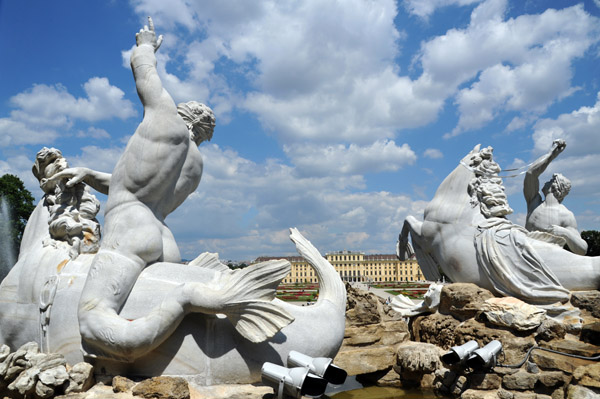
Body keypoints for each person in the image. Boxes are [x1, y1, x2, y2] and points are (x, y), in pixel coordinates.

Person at [73, 18, 291, 360]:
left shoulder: (164, 120)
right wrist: (88, 174)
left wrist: (145, 45)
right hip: (164, 239)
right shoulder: (196, 166)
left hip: (130, 228)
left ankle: (184, 299)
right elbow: (132, 186)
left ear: (184, 114)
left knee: (92, 318)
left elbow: (143, 73)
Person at [524, 139, 588, 255]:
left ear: (555, 186)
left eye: (550, 180)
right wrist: (551, 155)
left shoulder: (566, 215)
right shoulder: (534, 202)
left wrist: (565, 233)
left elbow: (582, 249)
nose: (546, 182)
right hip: (526, 257)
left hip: (549, 260)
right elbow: (531, 173)